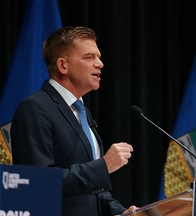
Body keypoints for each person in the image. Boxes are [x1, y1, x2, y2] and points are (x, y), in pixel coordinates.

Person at [11, 26, 138, 216]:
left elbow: (95, 191)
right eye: (89, 57)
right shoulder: (35, 109)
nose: (100, 64)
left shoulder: (81, 111)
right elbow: (38, 183)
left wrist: (120, 212)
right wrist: (103, 166)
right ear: (63, 65)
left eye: (99, 56)